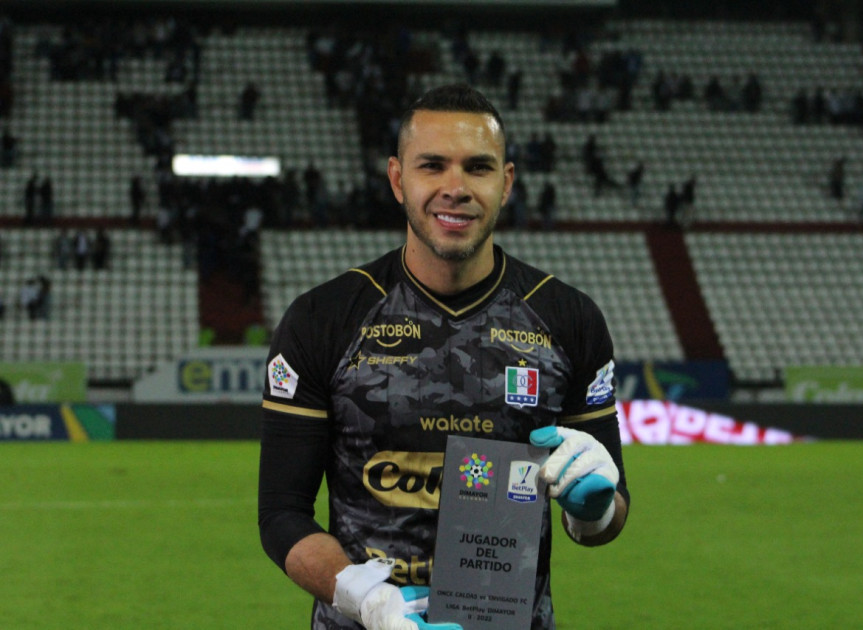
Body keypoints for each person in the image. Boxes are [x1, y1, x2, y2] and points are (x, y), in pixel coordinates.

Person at [258, 83, 629, 630]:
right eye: (432, 165)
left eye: (478, 168)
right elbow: (281, 514)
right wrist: (368, 601)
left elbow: (610, 515)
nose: (455, 189)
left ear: (505, 183)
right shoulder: (323, 319)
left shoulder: (569, 318)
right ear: (397, 179)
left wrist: (593, 507)